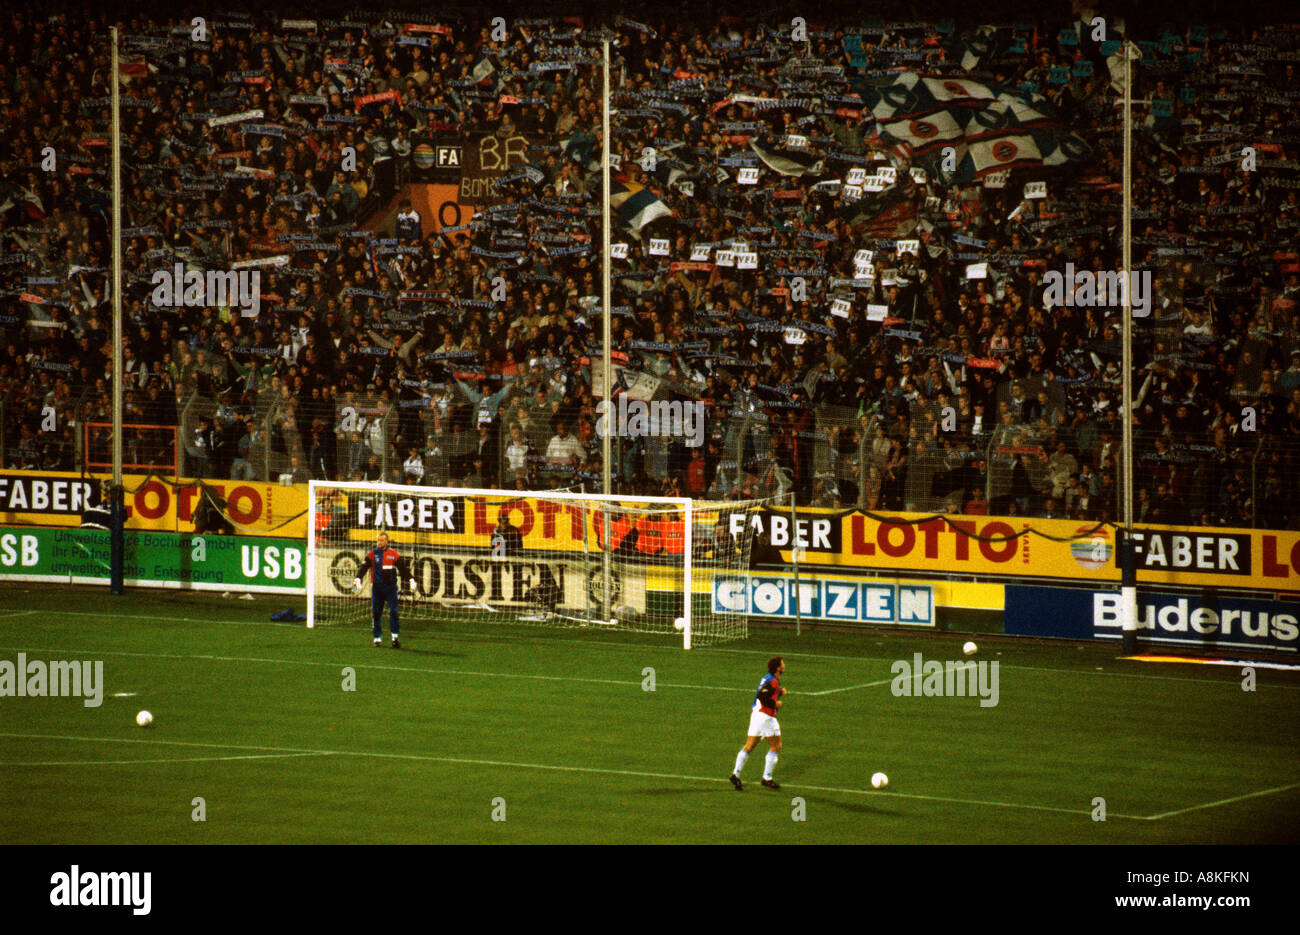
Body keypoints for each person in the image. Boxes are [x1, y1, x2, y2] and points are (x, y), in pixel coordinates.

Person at [729, 656, 786, 791]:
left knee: (749, 746)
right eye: (783, 664)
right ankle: (767, 778)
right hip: (766, 717)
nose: (784, 666)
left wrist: (779, 693)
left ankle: (735, 774)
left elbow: (764, 693)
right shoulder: (773, 681)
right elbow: (763, 695)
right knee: (776, 746)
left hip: (756, 715)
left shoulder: (767, 677)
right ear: (778, 668)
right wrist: (775, 704)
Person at [354, 531, 414, 648]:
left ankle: (394, 637)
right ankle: (377, 638)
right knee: (376, 613)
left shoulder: (393, 554)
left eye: (381, 540)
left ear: (386, 541)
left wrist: (411, 579)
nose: (379, 542)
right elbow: (364, 567)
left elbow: (403, 569)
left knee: (394, 611)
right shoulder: (372, 554)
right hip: (377, 588)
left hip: (391, 588)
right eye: (378, 540)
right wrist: (358, 578)